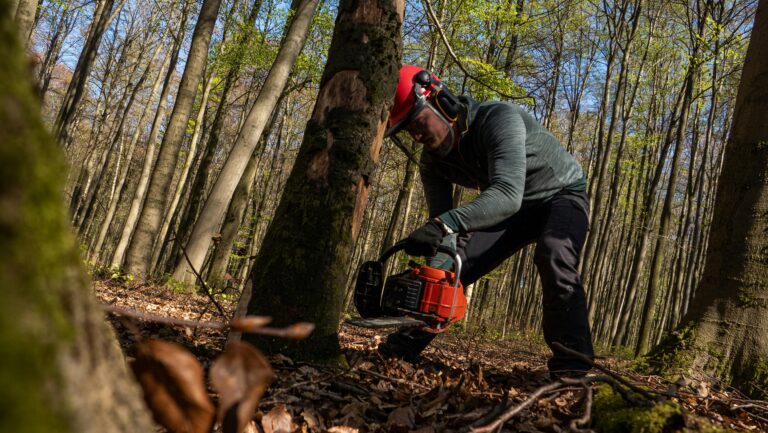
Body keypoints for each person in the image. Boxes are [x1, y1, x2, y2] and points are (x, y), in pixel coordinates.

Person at [379, 65, 594, 379]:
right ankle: (404, 345)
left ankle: (572, 367)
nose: (417, 136)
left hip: (561, 195)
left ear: (443, 102)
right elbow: (445, 230)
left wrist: (443, 225)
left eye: (418, 121)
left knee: (554, 253)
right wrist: (438, 253)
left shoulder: (498, 119)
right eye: (407, 130)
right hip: (515, 209)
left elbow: (506, 194)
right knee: (454, 263)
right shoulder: (432, 162)